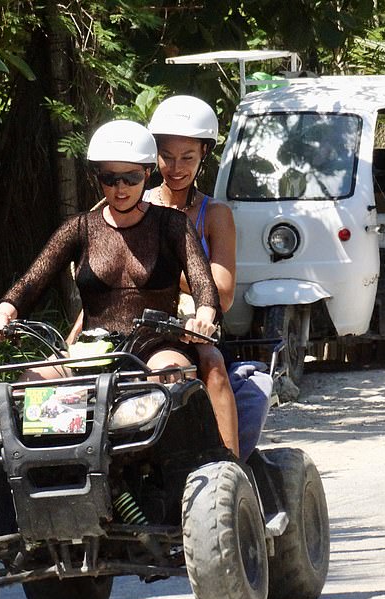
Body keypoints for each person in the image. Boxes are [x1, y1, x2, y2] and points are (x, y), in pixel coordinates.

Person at [0, 119, 221, 392]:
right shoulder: (79, 228)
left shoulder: (173, 225)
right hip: (91, 350)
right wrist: (3, 315)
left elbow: (203, 282)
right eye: (110, 178)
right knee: (26, 391)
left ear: (147, 173)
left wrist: (203, 315)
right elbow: (31, 282)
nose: (120, 189)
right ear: (98, 177)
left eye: (130, 178)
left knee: (168, 381)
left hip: (156, 348)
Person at [145, 95, 240, 455]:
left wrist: (166, 264)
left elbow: (223, 295)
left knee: (212, 365)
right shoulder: (132, 205)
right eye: (167, 156)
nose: (175, 167)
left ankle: (231, 465)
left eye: (187, 157)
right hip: (133, 318)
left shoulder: (214, 214)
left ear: (204, 154)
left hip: (195, 324)